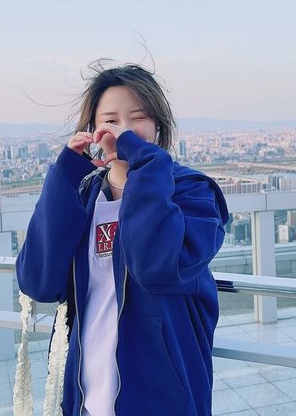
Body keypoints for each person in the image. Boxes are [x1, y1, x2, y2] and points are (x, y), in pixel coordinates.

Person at [16, 61, 229, 416]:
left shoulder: (192, 194)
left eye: (138, 118)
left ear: (158, 125)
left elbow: (155, 266)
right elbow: (38, 282)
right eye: (110, 120)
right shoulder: (84, 198)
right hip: (84, 400)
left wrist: (145, 163)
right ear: (93, 130)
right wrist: (64, 177)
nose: (123, 130)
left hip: (163, 403)